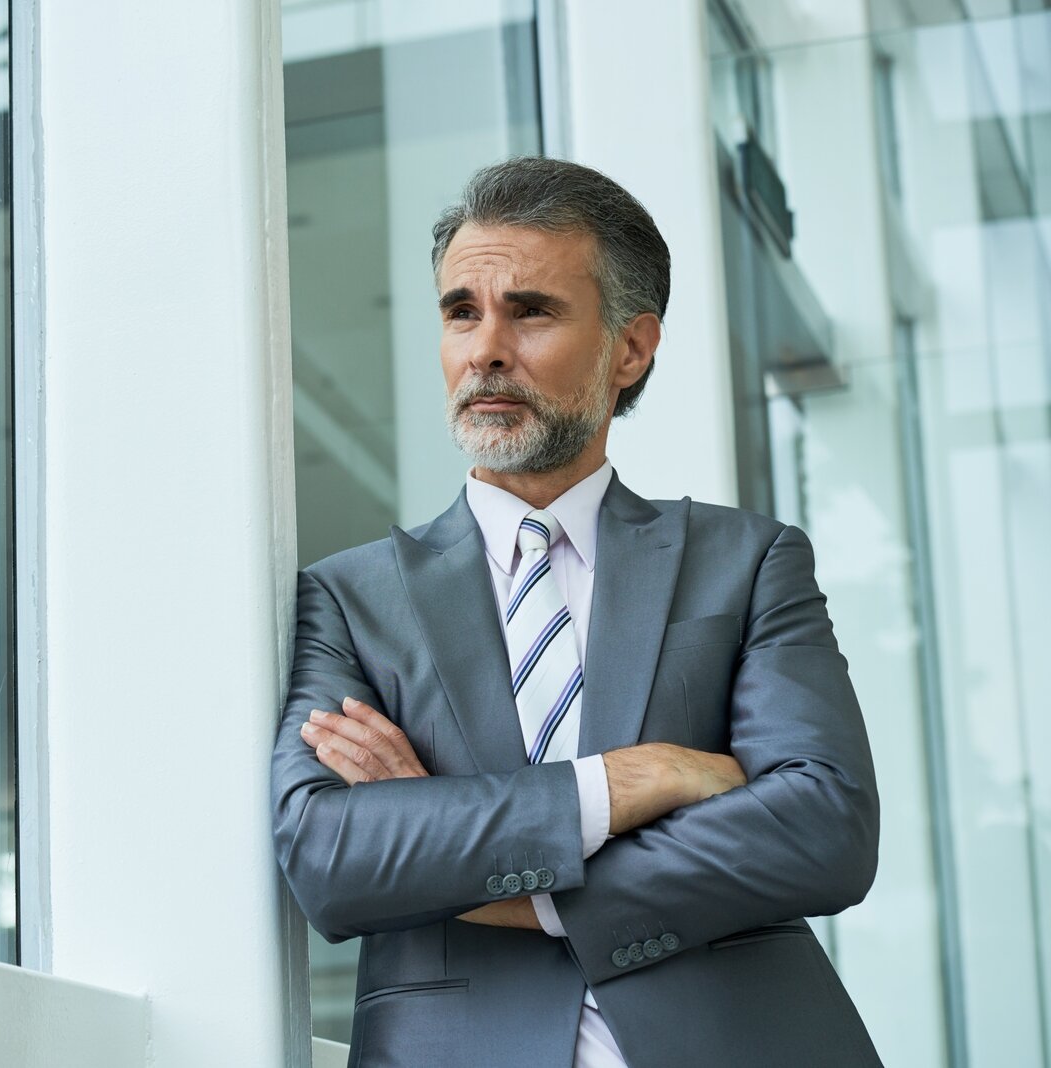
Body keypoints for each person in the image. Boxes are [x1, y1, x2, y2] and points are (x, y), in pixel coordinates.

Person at [271, 158, 881, 1067]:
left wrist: (481, 870)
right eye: (460, 312)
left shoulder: (746, 562)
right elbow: (331, 857)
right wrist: (632, 779)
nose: (485, 348)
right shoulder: (352, 598)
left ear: (630, 349)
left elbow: (824, 827)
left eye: (532, 310)